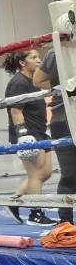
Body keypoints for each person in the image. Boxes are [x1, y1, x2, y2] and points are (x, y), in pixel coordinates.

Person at [3, 49, 56, 226]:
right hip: (29, 133)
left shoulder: (34, 81)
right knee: (36, 174)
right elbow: (15, 111)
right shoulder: (18, 82)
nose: (39, 60)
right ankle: (36, 214)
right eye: (33, 57)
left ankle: (14, 202)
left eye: (38, 57)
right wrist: (23, 136)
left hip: (40, 131)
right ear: (22, 63)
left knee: (45, 173)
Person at [34, 47, 75, 224]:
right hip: (63, 118)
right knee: (70, 175)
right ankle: (65, 222)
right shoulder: (57, 50)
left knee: (69, 175)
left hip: (62, 118)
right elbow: (38, 80)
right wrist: (66, 87)